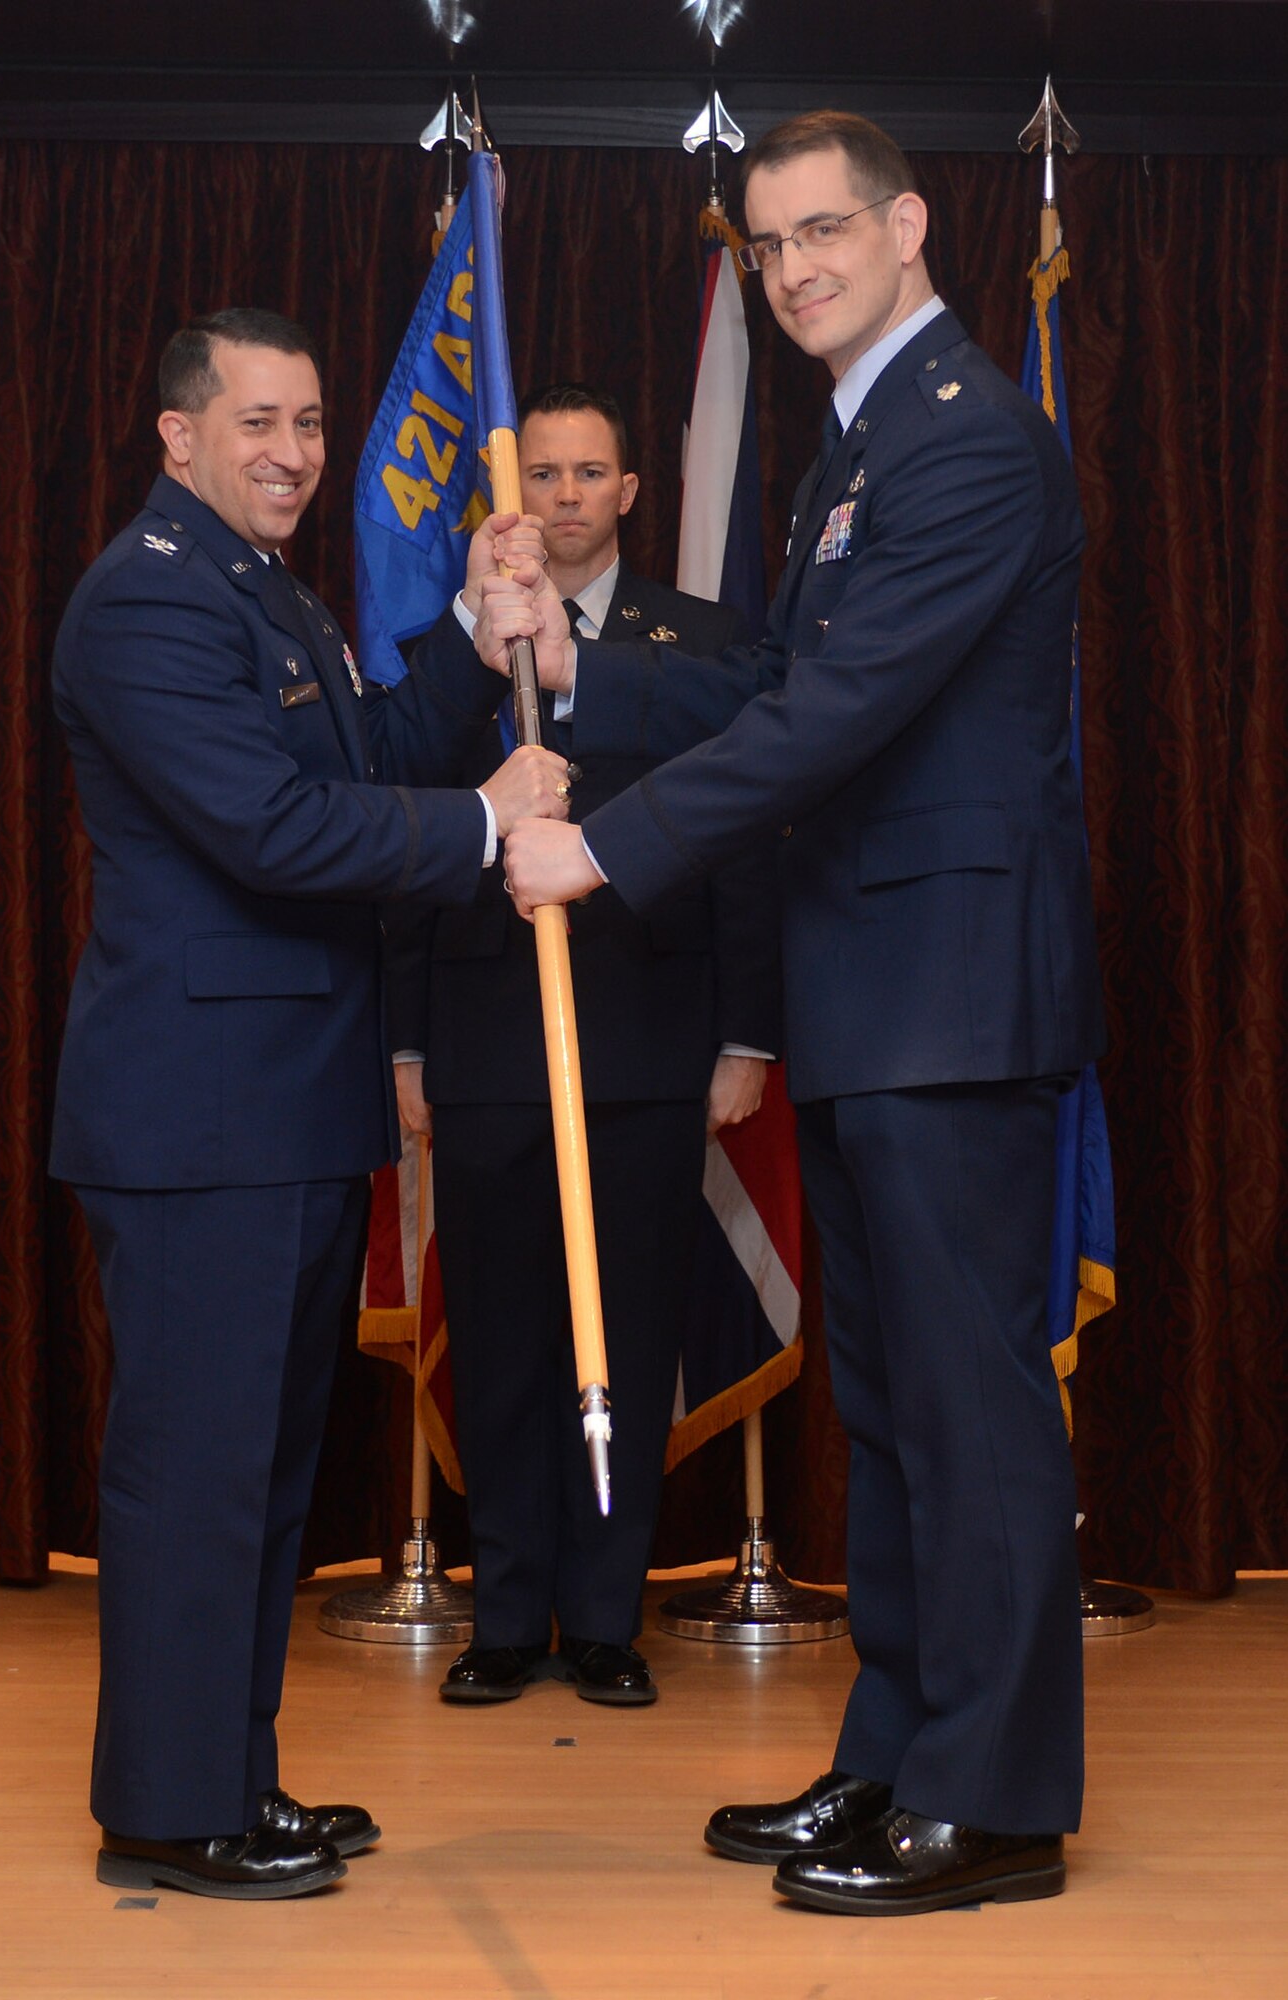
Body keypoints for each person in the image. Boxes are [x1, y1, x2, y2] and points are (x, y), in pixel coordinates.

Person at [486, 113, 1105, 1916]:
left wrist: (600, 854)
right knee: (897, 1408)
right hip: (870, 994)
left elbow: (840, 719)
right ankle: (897, 1755)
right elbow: (775, 679)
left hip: (951, 992)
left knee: (971, 1409)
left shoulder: (970, 438)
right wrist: (581, 664)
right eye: (769, 246)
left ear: (909, 226)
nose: (797, 267)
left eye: (826, 229)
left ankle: (991, 1804)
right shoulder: (855, 453)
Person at [49, 307, 569, 1901]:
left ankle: (231, 1777)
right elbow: (275, 832)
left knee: (260, 1477)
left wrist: (477, 646)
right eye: (258, 422)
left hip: (278, 1109)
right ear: (178, 435)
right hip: (202, 1117)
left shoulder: (260, 592)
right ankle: (167, 1806)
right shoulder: (144, 605)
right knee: (193, 1476)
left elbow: (363, 755)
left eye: (312, 425)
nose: (290, 452)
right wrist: (483, 827)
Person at [389, 384, 779, 1707]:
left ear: (627, 492)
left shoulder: (706, 645)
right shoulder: (450, 648)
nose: (561, 494)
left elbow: (744, 846)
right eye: (540, 473)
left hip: (649, 1033)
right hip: (489, 1035)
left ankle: (604, 1620)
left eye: (586, 472)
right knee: (501, 1336)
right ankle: (508, 1619)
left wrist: (743, 1034)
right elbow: (399, 841)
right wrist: (403, 1046)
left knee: (625, 1322)